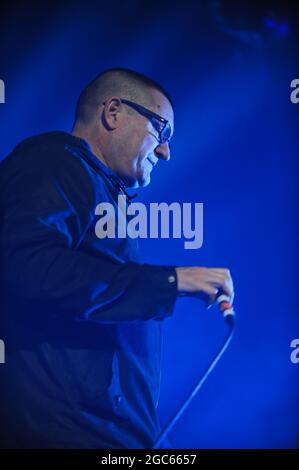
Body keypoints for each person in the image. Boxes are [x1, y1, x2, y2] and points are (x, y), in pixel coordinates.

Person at [0, 68, 234, 449]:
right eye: (161, 129)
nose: (165, 150)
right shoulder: (55, 163)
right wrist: (172, 282)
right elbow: (29, 266)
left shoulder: (96, 190)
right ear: (113, 112)